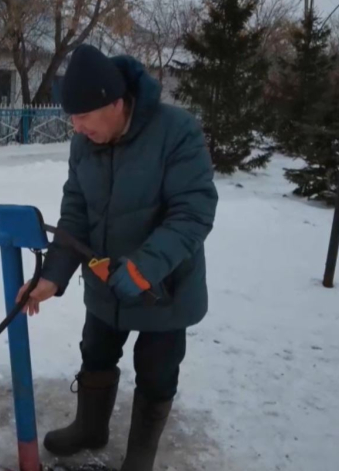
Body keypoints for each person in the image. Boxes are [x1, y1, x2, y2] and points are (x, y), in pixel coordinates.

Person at [16, 44, 218, 470]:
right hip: (105, 282)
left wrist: (144, 267)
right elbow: (75, 213)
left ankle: (140, 457)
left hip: (165, 287)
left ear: (114, 102)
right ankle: (91, 428)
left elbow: (193, 212)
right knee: (95, 352)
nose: (76, 126)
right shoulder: (83, 144)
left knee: (157, 370)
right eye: (72, 117)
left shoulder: (176, 131)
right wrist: (52, 276)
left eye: (84, 116)